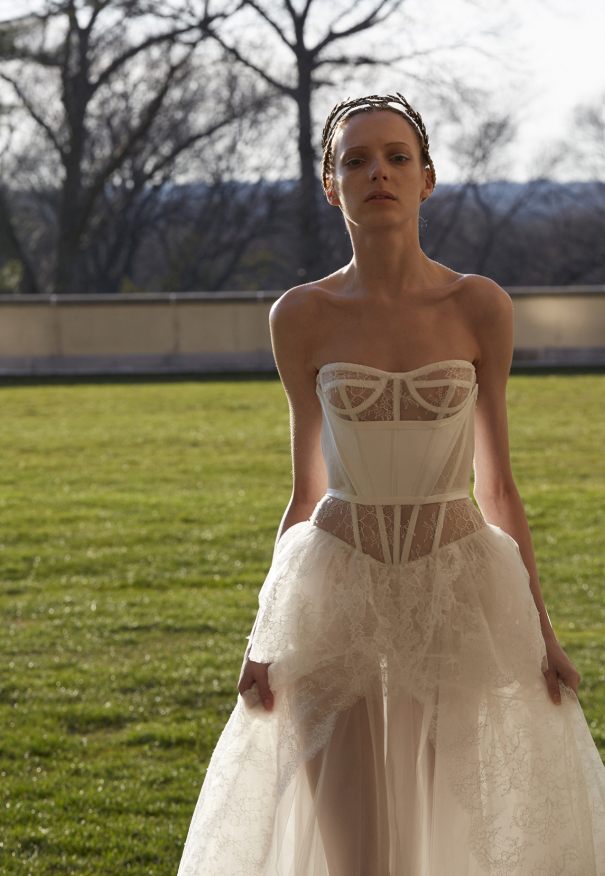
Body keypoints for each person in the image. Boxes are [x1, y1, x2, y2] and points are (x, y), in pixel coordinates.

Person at [177, 93, 605, 876]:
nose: (377, 172)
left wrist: (540, 629)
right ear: (330, 186)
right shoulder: (300, 314)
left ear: (426, 179)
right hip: (332, 588)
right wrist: (262, 638)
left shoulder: (478, 304)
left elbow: (496, 486)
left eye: (396, 157)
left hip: (456, 586)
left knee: (444, 838)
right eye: (356, 160)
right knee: (355, 852)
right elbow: (305, 488)